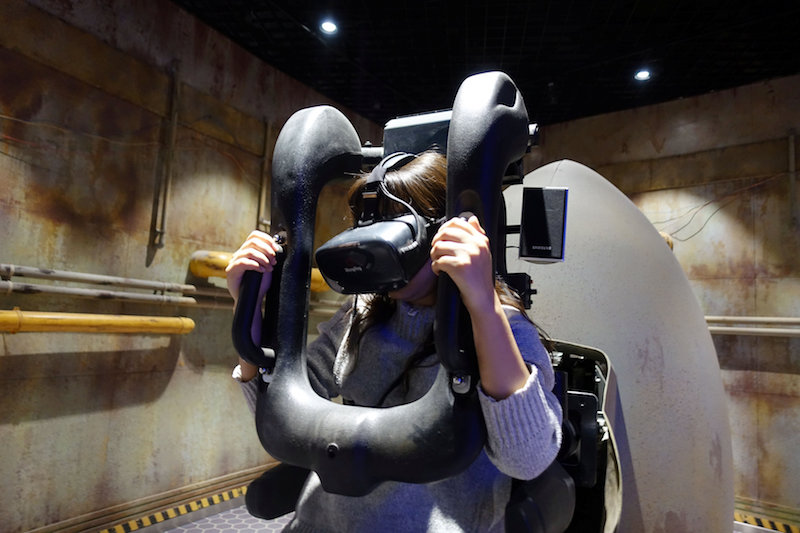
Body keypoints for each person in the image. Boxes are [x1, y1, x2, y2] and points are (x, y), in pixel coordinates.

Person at [225, 150, 563, 532]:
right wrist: (247, 305)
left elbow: (527, 459)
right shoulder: (362, 312)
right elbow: (279, 412)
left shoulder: (503, 325)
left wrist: (483, 305)